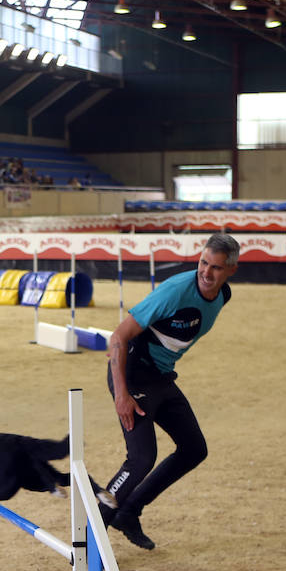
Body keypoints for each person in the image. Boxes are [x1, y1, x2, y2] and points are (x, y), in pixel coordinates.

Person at [98, 233, 240, 550]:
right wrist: (122, 394)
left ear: (231, 270)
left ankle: (129, 512)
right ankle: (89, 534)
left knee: (194, 449)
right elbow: (119, 336)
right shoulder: (176, 290)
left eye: (216, 268)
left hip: (160, 377)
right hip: (133, 373)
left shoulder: (222, 295)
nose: (206, 272)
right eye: (203, 263)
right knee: (141, 458)